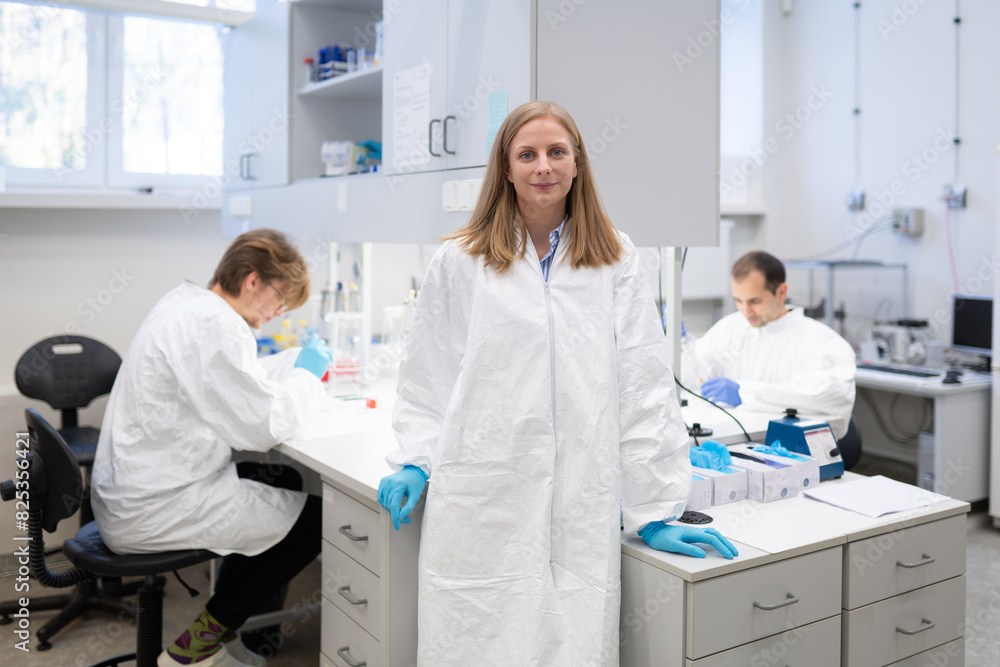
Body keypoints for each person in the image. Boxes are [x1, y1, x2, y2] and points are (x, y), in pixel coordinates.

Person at [376, 101, 737, 666]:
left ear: (577, 163)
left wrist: (655, 510)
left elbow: (643, 384)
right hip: (484, 495)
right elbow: (428, 374)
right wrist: (417, 459)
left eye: (556, 152)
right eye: (527, 154)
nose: (542, 165)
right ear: (506, 168)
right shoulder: (460, 260)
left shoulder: (615, 257)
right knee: (476, 641)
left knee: (572, 642)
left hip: (581, 500)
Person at [91, 228, 334, 667]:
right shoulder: (215, 323)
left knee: (284, 478)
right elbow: (261, 429)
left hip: (144, 487)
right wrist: (307, 377)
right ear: (254, 280)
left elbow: (227, 380)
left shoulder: (188, 303)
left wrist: (292, 364)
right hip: (157, 504)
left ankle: (235, 630)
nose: (278, 313)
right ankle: (196, 648)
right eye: (280, 300)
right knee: (317, 522)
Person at [685, 250, 856, 437]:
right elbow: (699, 375)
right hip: (735, 439)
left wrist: (745, 393)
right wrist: (683, 344)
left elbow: (834, 397)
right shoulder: (731, 327)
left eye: (754, 301)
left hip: (793, 445)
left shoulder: (822, 341)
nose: (746, 311)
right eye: (739, 301)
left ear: (781, 292)